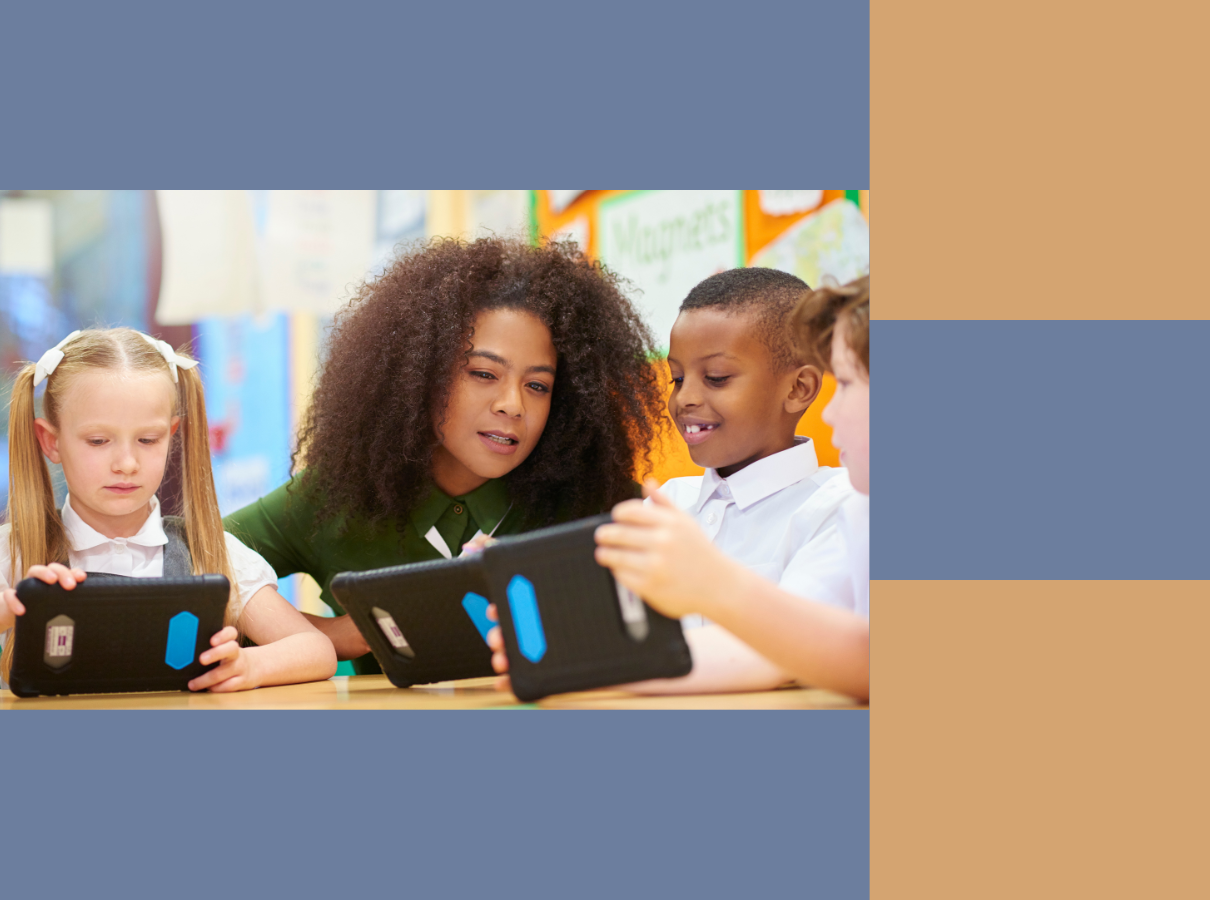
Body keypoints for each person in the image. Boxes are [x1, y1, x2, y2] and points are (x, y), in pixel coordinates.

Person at [225, 236, 668, 674]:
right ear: (417, 374)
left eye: (537, 386)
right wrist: (331, 636)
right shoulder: (336, 498)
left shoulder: (601, 504)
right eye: (483, 373)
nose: (513, 404)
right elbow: (192, 556)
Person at [0, 328, 335, 692]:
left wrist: (250, 666)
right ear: (51, 442)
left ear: (172, 434)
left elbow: (316, 650)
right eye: (99, 441)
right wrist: (0, 611)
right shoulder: (10, 553)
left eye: (148, 440)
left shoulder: (210, 551)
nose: (126, 463)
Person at [591, 275, 871, 700]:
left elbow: (788, 650)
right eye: (677, 379)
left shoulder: (837, 506)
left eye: (717, 377)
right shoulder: (667, 504)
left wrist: (584, 665)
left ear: (798, 388)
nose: (684, 398)